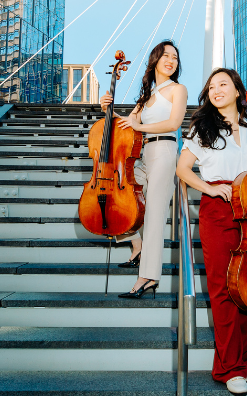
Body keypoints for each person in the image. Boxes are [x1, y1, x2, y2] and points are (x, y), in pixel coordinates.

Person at [175, 68, 247, 395]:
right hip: (218, 209)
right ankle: (230, 368)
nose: (216, 89)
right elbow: (182, 169)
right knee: (222, 288)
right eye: (212, 86)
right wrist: (207, 187)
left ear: (237, 91)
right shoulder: (201, 128)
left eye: (223, 84)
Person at [99, 40, 187, 299]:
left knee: (155, 215)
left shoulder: (177, 90)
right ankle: (136, 244)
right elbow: (128, 125)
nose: (171, 60)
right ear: (155, 60)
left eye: (175, 57)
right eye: (166, 56)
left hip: (164, 151)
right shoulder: (145, 96)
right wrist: (107, 108)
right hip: (142, 154)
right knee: (116, 197)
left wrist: (139, 126)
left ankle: (147, 277)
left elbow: (174, 122)